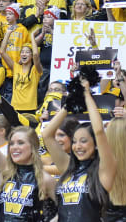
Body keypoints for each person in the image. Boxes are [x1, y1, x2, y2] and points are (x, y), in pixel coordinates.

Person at [43, 78, 117, 221]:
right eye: (75, 142)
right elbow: (47, 135)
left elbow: (99, 131)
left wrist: (87, 95)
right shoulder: (68, 167)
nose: (78, 146)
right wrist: (68, 105)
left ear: (95, 144)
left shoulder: (104, 170)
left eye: (84, 141)